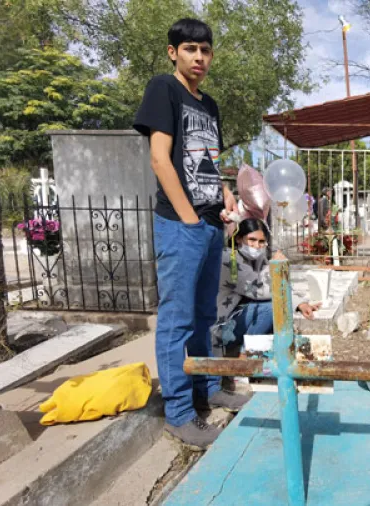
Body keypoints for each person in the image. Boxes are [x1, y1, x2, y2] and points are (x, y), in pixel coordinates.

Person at [133, 18, 249, 450]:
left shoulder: (210, 106)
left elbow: (207, 161)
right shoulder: (164, 88)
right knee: (177, 320)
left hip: (210, 222)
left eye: (205, 50)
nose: (199, 58)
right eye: (189, 49)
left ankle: (208, 387)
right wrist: (187, 219)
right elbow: (161, 160)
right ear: (173, 52)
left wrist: (226, 196)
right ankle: (179, 413)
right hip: (182, 224)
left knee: (206, 315)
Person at [212, 218, 320, 353]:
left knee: (275, 310)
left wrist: (299, 304)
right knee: (270, 309)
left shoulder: (258, 258)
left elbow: (273, 284)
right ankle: (246, 356)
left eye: (261, 241)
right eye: (252, 240)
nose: (257, 246)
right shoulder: (230, 260)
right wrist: (274, 267)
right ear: (239, 239)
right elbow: (260, 291)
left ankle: (259, 355)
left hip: (238, 318)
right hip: (222, 327)